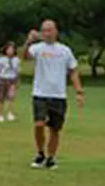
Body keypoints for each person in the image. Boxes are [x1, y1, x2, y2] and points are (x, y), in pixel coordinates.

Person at [23, 20, 84, 170]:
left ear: (56, 32)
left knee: (54, 129)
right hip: (40, 93)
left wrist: (79, 91)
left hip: (58, 95)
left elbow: (73, 70)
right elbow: (25, 56)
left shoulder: (65, 51)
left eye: (50, 30)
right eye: (44, 30)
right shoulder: (37, 48)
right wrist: (28, 42)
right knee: (39, 124)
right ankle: (40, 153)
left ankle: (51, 157)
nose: (47, 33)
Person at [0, 41, 20, 123]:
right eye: (9, 49)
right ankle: (0, 115)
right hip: (3, 80)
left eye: (12, 49)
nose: (10, 51)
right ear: (5, 50)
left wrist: (18, 81)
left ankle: (10, 113)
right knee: (1, 98)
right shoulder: (2, 59)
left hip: (12, 80)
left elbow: (17, 71)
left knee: (11, 97)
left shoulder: (16, 60)